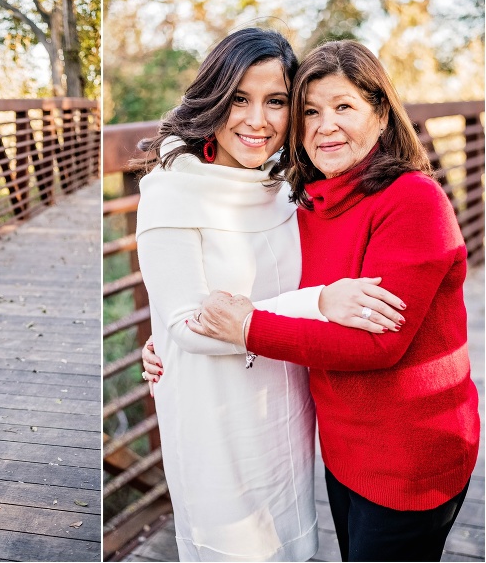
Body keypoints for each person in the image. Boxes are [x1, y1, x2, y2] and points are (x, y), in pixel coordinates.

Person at [180, 40, 479, 561]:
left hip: (412, 454)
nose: (325, 125)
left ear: (381, 113)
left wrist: (246, 330)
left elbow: (376, 347)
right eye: (310, 111)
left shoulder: (413, 201)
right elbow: (287, 297)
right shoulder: (313, 203)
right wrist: (176, 338)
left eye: (344, 107)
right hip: (343, 449)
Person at [134, 28, 404, 562]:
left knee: (294, 544)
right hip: (218, 417)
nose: (257, 120)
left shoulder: (284, 186)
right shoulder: (172, 192)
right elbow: (193, 326)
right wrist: (319, 304)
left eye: (276, 101)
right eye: (239, 99)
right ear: (212, 98)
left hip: (289, 409)